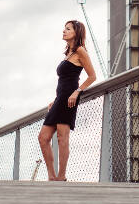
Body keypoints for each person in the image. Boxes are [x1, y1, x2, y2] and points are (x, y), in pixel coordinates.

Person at [38, 19, 96, 181]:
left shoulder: (80, 51)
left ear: (76, 33)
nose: (64, 31)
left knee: (62, 138)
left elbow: (92, 76)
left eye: (68, 29)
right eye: (64, 28)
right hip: (60, 98)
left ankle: (61, 177)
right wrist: (55, 100)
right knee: (43, 137)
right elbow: (64, 80)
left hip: (69, 98)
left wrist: (77, 92)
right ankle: (52, 176)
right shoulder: (68, 53)